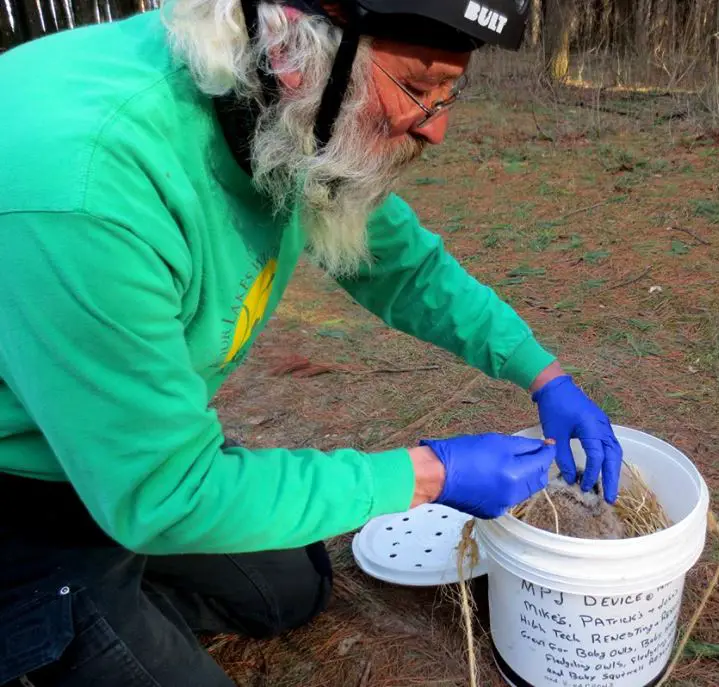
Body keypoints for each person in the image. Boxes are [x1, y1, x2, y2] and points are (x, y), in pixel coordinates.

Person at [0, 0, 624, 684]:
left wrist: (544, 373)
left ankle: (116, 599)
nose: (437, 128)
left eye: (451, 93)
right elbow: (167, 492)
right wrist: (433, 472)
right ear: (293, 44)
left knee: (291, 585)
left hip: (113, 453)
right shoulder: (88, 185)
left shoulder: (284, 107)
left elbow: (404, 266)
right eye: (418, 88)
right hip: (23, 490)